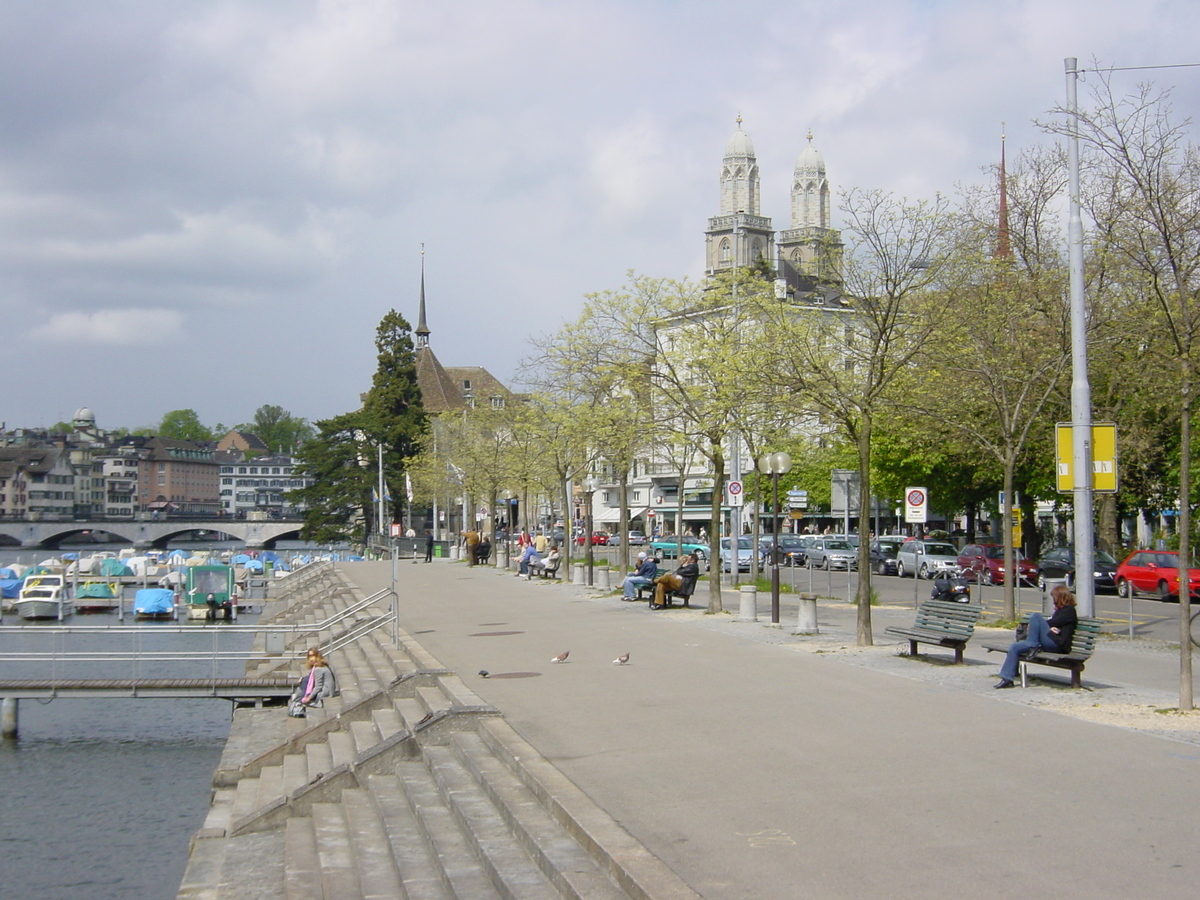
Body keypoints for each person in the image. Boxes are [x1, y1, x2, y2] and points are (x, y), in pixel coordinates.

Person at [995, 584, 1078, 688]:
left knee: (1035, 616)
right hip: (1047, 640)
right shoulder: (1060, 611)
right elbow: (1053, 624)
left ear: (1061, 597)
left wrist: (1049, 628)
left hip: (1057, 644)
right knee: (1014, 647)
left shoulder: (1069, 610)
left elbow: (1053, 622)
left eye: (1054, 597)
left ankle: (1032, 644)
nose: (1053, 600)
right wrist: (1050, 629)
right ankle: (1007, 679)